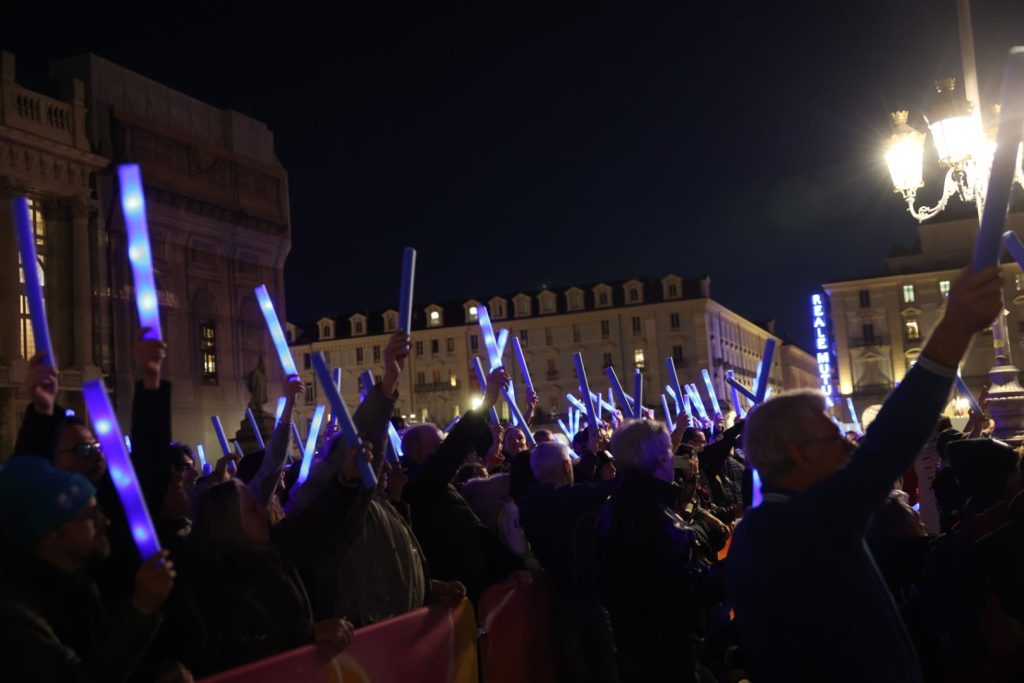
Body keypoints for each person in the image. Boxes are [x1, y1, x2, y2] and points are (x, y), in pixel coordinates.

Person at [726, 265, 1003, 683]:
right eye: (835, 437)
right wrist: (956, 325)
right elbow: (891, 440)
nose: (850, 446)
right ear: (801, 454)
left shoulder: (763, 527)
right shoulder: (803, 522)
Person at [0, 457, 176, 682]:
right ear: (49, 533)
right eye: (91, 515)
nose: (106, 521)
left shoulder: (78, 584)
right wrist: (140, 611)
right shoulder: (14, 617)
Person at [596, 420, 724, 683]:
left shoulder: (615, 506)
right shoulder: (655, 518)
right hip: (668, 653)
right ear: (661, 459)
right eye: (669, 452)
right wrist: (733, 568)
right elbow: (683, 590)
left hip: (633, 646)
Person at [401, 368, 522, 601]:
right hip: (454, 593)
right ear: (416, 453)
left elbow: (475, 531)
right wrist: (485, 404)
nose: (442, 449)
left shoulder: (444, 488)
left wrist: (512, 566)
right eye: (436, 446)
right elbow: (450, 452)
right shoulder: (418, 485)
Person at [520, 441, 618, 683]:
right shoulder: (570, 499)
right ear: (566, 466)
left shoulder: (529, 502)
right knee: (601, 667)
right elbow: (604, 490)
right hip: (586, 599)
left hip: (558, 595)